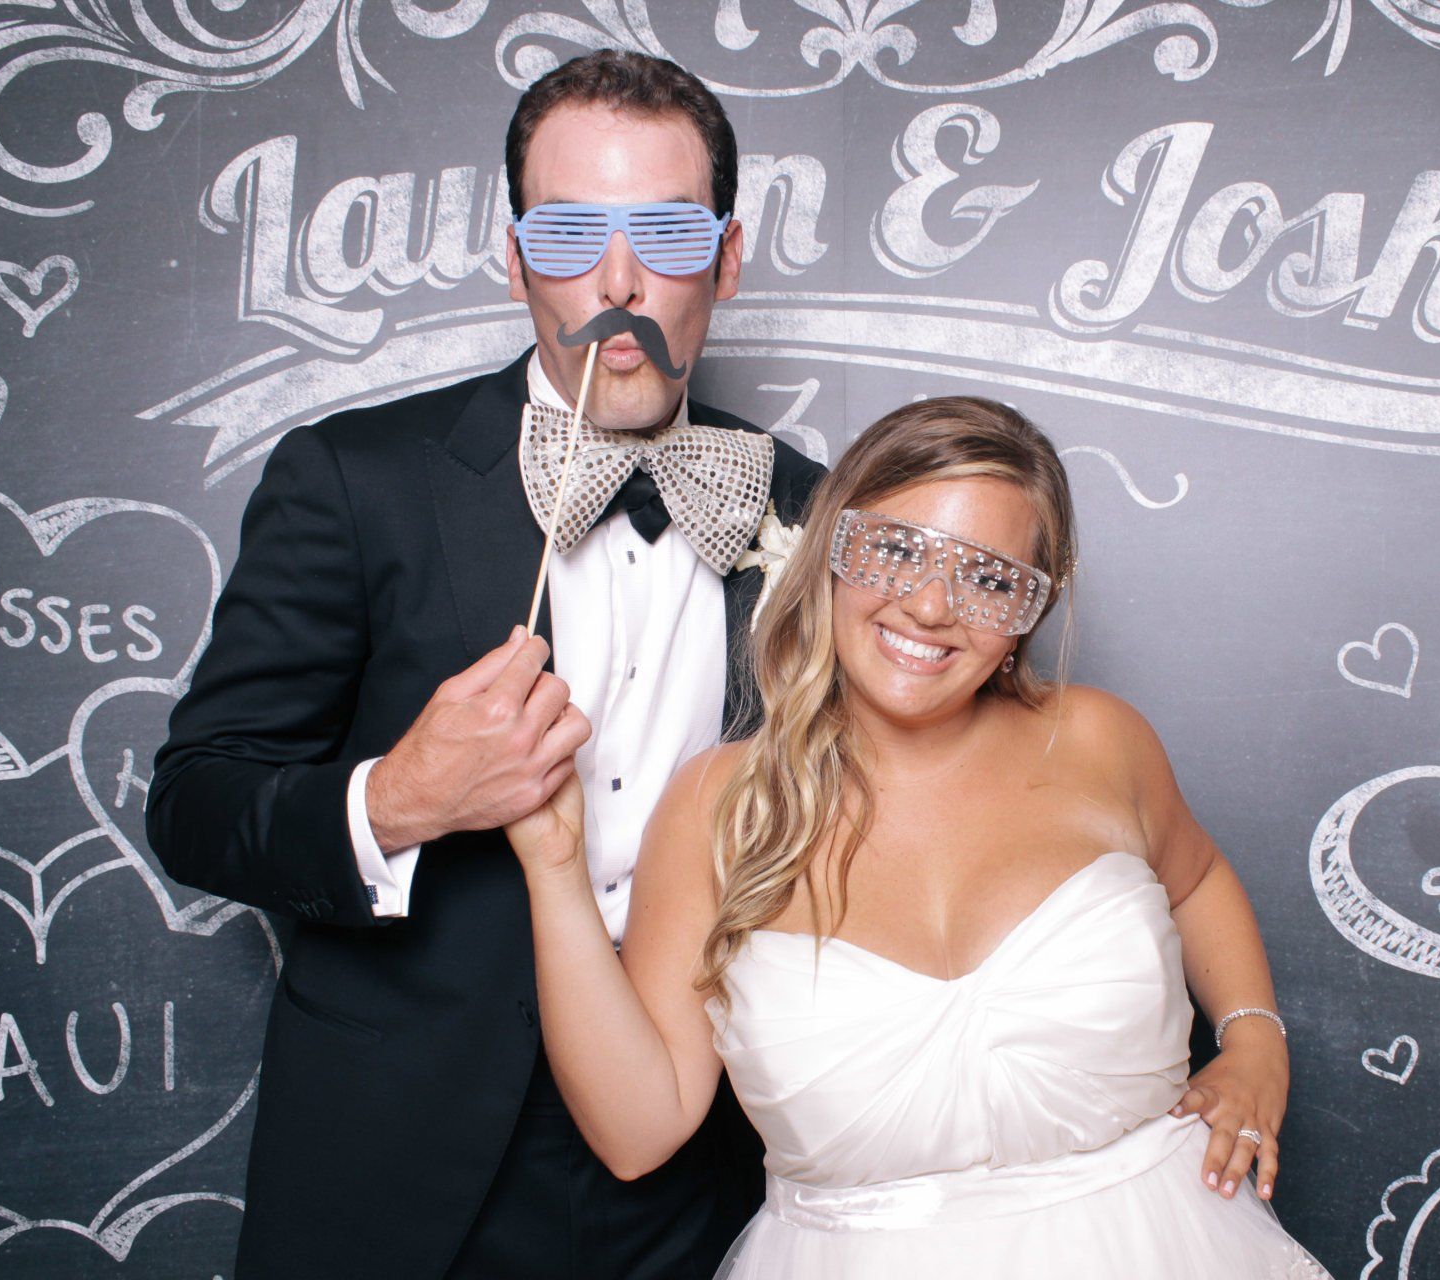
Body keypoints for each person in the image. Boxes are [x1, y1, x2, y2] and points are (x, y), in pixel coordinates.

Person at [145, 50, 824, 1279]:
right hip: (401, 1156)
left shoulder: (809, 504)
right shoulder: (354, 478)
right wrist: (398, 798)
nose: (617, 283)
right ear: (513, 258)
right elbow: (197, 804)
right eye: (570, 235)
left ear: (726, 258)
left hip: (706, 1159)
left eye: (665, 234)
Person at [504, 397, 1334, 1277]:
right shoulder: (719, 805)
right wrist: (554, 868)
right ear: (831, 549)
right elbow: (640, 1130)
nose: (933, 605)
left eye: (988, 577)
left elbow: (1196, 878)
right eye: (896, 551)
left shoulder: (1098, 738)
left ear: (1032, 607)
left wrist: (1254, 1039)